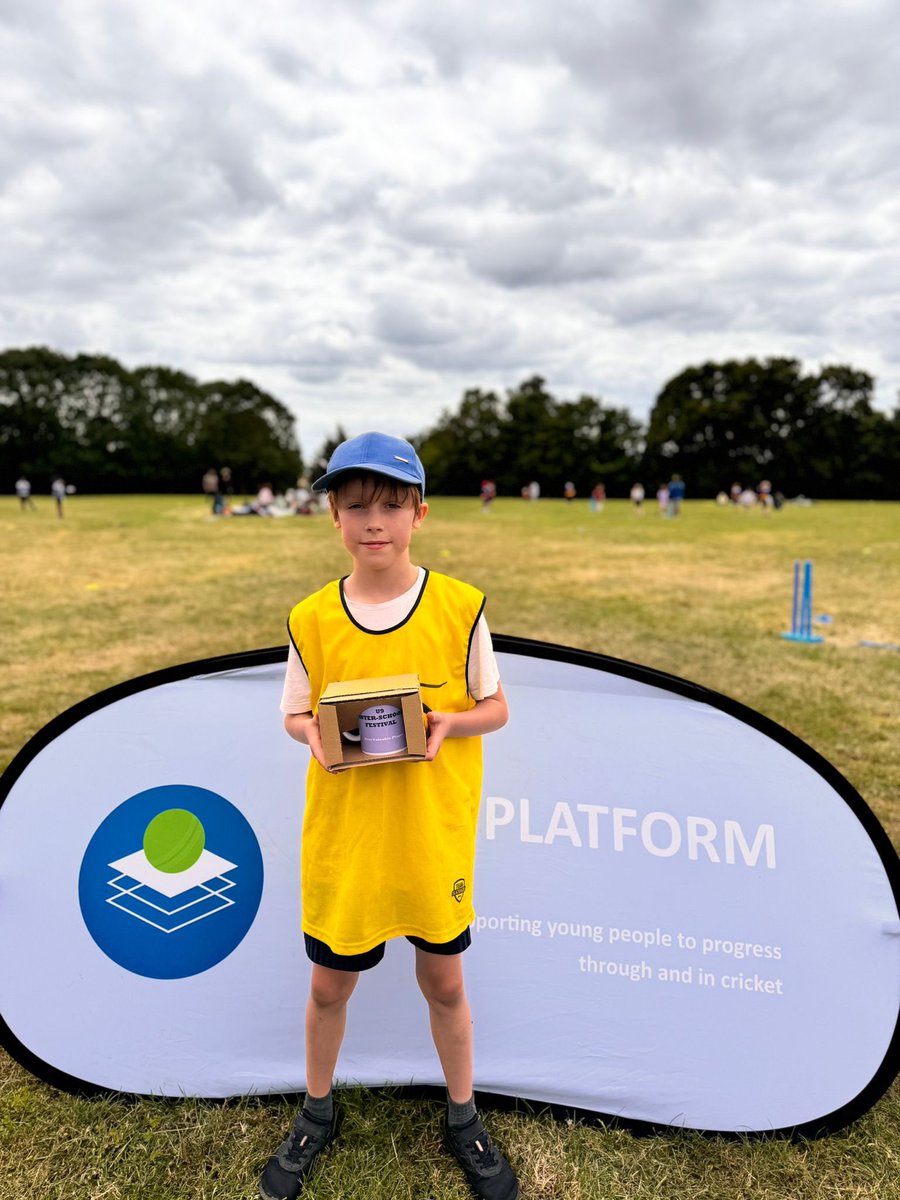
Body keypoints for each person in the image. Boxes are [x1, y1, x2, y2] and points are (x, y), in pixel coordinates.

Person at [260, 432, 519, 1200]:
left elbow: (497, 707)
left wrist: (447, 725)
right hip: (347, 839)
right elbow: (295, 715)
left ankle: (464, 1117)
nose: (375, 521)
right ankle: (317, 1110)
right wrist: (316, 738)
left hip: (428, 837)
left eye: (392, 506)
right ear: (334, 516)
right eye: (358, 506)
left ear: (419, 515)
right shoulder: (311, 618)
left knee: (443, 983)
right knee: (329, 987)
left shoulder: (460, 606)